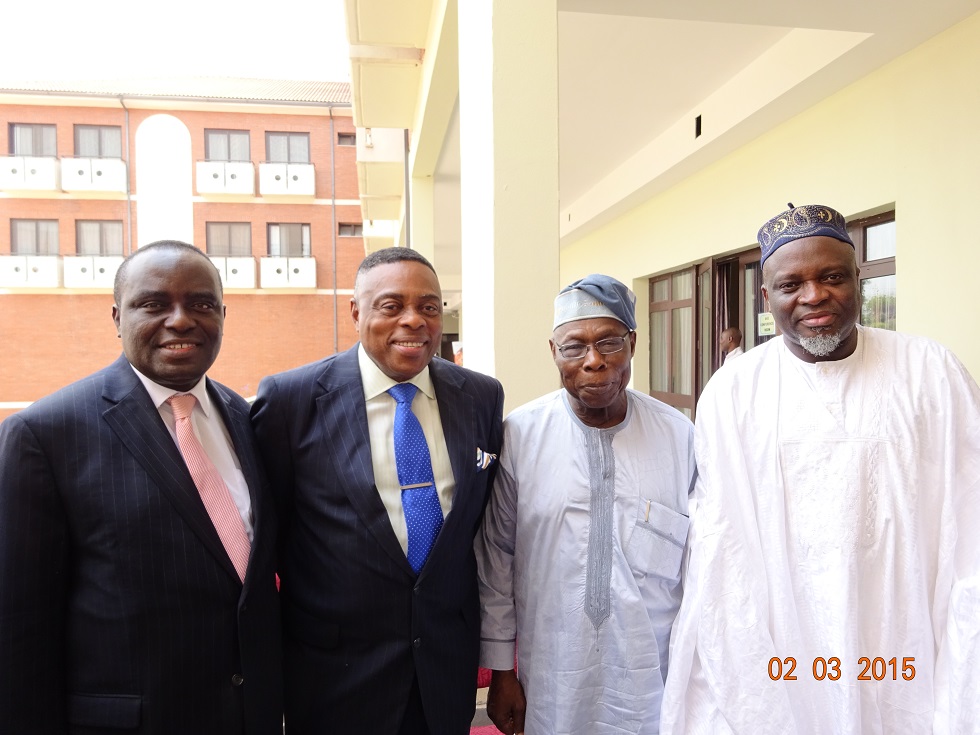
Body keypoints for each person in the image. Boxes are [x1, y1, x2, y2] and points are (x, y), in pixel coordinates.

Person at [661, 204, 980, 733]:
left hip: (905, 643)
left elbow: (970, 517)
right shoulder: (736, 392)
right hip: (787, 648)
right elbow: (724, 548)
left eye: (832, 276)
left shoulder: (931, 372)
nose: (813, 296)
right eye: (792, 284)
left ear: (859, 279)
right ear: (767, 298)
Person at [0, 241, 283, 734]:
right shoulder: (45, 434)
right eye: (154, 304)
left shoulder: (245, 416)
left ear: (222, 313)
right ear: (116, 316)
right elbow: (20, 632)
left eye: (201, 304)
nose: (180, 320)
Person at [251, 247, 504, 734]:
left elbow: (476, 525)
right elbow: (271, 536)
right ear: (356, 312)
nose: (414, 321)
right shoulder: (291, 401)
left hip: (443, 672)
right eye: (392, 306)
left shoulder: (481, 396)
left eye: (429, 307)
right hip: (334, 676)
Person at [476, 274, 696, 735]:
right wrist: (500, 670)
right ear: (553, 352)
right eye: (574, 346)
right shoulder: (521, 435)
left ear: (633, 343)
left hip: (655, 679)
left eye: (609, 342)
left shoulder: (679, 437)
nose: (593, 361)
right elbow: (497, 557)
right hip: (552, 677)